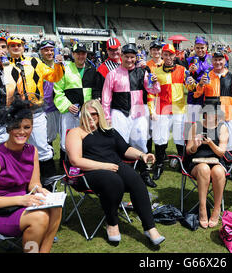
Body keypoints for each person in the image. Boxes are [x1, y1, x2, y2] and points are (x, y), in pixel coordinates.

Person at [65, 100, 165, 245]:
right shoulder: (76, 133)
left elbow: (125, 149)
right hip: (88, 172)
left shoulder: (109, 131)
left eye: (94, 114)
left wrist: (142, 155)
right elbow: (75, 161)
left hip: (114, 165)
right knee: (114, 182)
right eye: (87, 115)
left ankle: (150, 228)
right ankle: (112, 223)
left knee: (136, 181)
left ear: (100, 114)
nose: (90, 118)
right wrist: (104, 166)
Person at [0, 98, 62, 253]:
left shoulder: (32, 151)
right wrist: (22, 199)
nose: (22, 132)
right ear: (8, 128)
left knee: (56, 208)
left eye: (27, 127)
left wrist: (40, 190)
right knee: (39, 218)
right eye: (16, 127)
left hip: (19, 207)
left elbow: (34, 184)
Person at [101, 43, 161, 188]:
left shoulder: (142, 72)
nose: (129, 60)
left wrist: (155, 81)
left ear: (136, 58)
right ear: (121, 56)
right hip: (119, 112)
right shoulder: (112, 74)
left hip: (138, 112)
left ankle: (145, 174)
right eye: (126, 57)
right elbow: (106, 98)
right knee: (119, 144)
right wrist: (107, 117)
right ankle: (119, 175)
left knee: (141, 143)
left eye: (132, 57)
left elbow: (154, 90)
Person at [7, 36, 65, 179]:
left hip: (36, 112)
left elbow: (53, 77)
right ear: (8, 48)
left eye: (18, 45)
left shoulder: (34, 62)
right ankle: (17, 181)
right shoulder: (2, 64)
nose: (16, 47)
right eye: (12, 45)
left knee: (42, 147)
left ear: (23, 46)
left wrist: (58, 65)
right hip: (13, 113)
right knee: (14, 147)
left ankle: (48, 183)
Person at [193, 51, 232, 181]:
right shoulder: (206, 75)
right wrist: (200, 84)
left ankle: (228, 169)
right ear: (212, 61)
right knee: (212, 140)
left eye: (220, 59)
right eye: (215, 59)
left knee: (229, 144)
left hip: (228, 114)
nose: (218, 62)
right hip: (210, 115)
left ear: (225, 61)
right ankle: (212, 165)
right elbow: (197, 94)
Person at [152, 44, 194, 181]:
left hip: (178, 110)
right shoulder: (156, 72)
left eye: (170, 54)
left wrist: (192, 82)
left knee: (180, 138)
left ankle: (183, 164)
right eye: (166, 54)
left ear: (174, 55)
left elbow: (191, 87)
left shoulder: (182, 70)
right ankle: (159, 165)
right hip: (162, 110)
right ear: (162, 55)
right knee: (160, 138)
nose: (168, 57)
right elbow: (151, 91)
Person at [185, 99, 229, 228]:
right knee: (204, 169)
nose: (209, 115)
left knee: (218, 171)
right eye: (207, 112)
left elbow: (221, 152)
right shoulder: (195, 126)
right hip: (197, 163)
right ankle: (202, 208)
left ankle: (216, 209)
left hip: (216, 161)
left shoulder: (223, 127)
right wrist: (195, 146)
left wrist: (210, 143)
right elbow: (188, 150)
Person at [54, 43, 99, 160]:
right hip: (69, 112)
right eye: (78, 53)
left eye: (83, 53)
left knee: (86, 139)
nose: (81, 56)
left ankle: (83, 165)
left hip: (86, 113)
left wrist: (92, 108)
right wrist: (67, 105)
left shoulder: (92, 69)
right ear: (73, 54)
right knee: (66, 140)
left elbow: (95, 90)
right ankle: (67, 167)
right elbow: (57, 90)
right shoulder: (64, 68)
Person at [38, 40, 61, 156]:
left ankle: (65, 161)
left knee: (65, 135)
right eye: (46, 50)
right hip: (46, 109)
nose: (49, 52)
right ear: (41, 52)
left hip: (61, 107)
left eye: (51, 50)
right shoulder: (37, 66)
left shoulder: (60, 65)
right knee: (47, 137)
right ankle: (48, 162)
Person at [185, 36, 213, 123]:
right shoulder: (189, 60)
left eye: (202, 47)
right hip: (194, 94)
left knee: (208, 121)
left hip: (208, 94)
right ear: (194, 47)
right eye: (197, 48)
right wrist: (189, 72)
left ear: (207, 47)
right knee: (193, 122)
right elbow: (184, 79)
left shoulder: (212, 59)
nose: (200, 50)